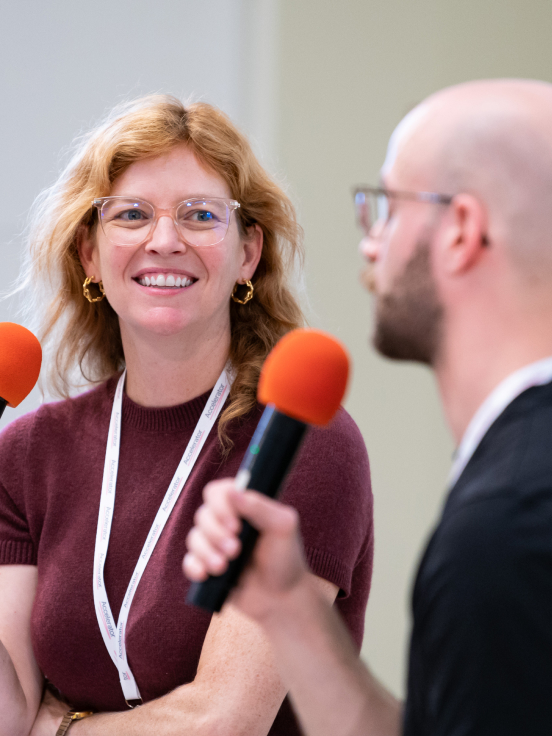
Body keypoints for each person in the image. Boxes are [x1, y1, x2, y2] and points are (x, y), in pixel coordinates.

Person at [185, 78, 552, 736]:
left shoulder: (510, 527)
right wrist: (292, 607)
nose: (370, 243)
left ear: (460, 231)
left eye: (386, 207)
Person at [0, 95, 374, 736]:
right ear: (90, 254)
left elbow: (224, 720)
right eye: (132, 215)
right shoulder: (31, 451)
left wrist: (61, 730)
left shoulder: (296, 438)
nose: (165, 241)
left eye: (201, 215)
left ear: (248, 253)